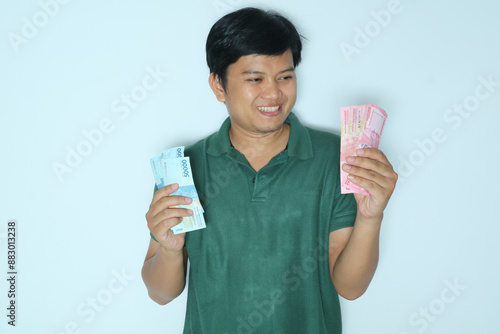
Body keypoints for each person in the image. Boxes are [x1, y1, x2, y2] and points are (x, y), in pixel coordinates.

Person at [141, 7, 398, 334]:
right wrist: (170, 249)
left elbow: (350, 287)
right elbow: (160, 293)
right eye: (255, 79)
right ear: (219, 86)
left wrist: (371, 217)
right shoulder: (184, 167)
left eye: (285, 77)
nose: (274, 93)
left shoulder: (338, 158)